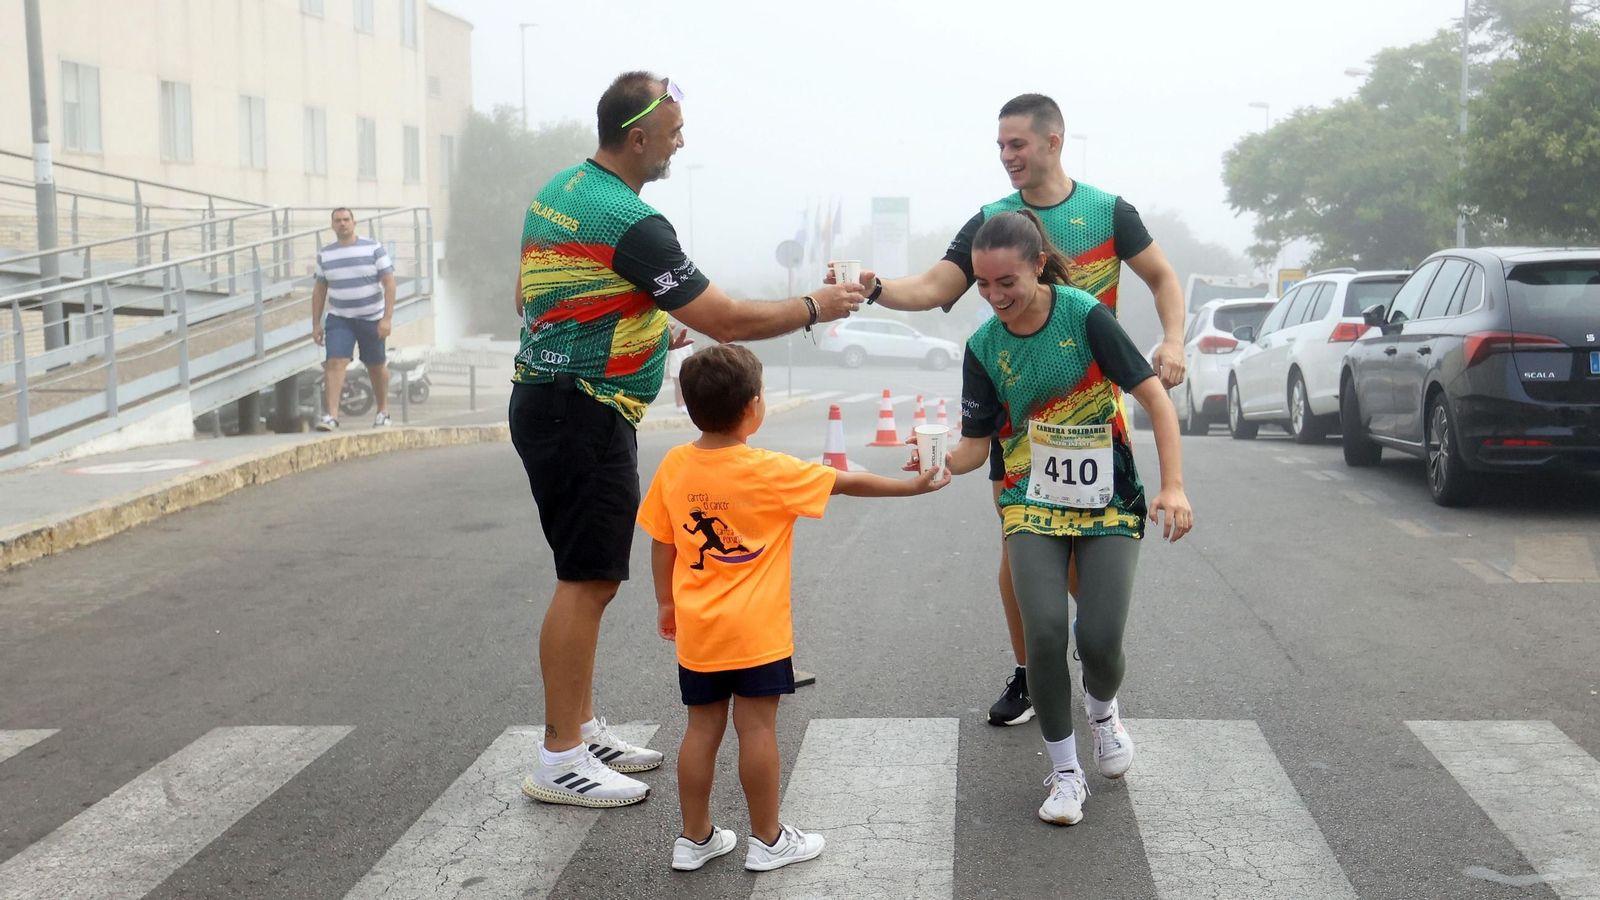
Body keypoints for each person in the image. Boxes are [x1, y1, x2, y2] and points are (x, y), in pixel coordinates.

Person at [512, 71, 865, 810]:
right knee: (587, 580)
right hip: (581, 408)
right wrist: (815, 306)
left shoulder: (562, 192)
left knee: (591, 576)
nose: (682, 141)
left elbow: (535, 294)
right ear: (637, 137)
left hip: (551, 398)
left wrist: (639, 330)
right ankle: (559, 754)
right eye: (674, 131)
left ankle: (577, 724)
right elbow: (727, 321)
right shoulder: (635, 223)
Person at [839, 94, 1187, 729]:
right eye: (1000, 146)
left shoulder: (1109, 211)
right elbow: (939, 285)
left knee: (1086, 556)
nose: (1007, 157)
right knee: (1020, 548)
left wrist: (1172, 338)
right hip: (1019, 413)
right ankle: (1033, 670)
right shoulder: (993, 220)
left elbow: (1163, 277)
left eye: (1017, 145)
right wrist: (880, 288)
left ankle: (1093, 660)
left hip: (1095, 415)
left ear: (1054, 141)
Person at [915, 210, 1192, 826]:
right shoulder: (982, 347)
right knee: (1043, 632)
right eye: (983, 286)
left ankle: (1104, 712)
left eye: (1006, 282)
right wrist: (937, 464)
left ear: (1038, 265)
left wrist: (1173, 486)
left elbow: (1153, 398)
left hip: (1109, 500)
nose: (995, 297)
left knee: (1098, 641)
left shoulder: (1085, 315)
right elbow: (975, 446)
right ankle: (1066, 773)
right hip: (1031, 502)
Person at [638, 344, 949, 872]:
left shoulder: (675, 466)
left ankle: (693, 839)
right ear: (753, 409)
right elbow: (845, 482)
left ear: (690, 407)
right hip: (757, 633)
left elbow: (662, 541)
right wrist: (911, 488)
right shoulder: (769, 470)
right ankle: (769, 839)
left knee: (700, 730)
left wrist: (667, 602)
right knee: (757, 730)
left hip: (700, 629)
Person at [311, 207, 396, 430]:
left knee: (375, 365)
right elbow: (320, 289)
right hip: (340, 318)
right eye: (338, 220)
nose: (342, 224)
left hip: (371, 318)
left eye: (346, 220)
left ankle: (383, 412)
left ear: (354, 223)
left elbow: (389, 283)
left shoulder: (373, 248)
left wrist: (386, 318)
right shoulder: (326, 254)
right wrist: (315, 323)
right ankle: (331, 416)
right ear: (332, 225)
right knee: (335, 362)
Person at [666, 324, 694, 412]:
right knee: (679, 387)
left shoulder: (685, 345)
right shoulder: (673, 343)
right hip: (677, 369)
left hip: (681, 368)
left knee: (681, 387)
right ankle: (679, 404)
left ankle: (682, 404)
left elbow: (690, 356)